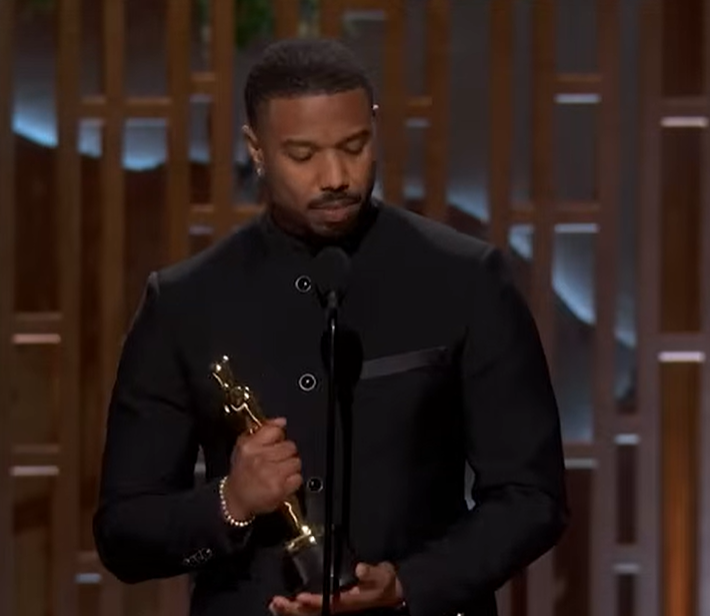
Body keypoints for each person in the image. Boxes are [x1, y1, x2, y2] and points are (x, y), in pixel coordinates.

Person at [93, 37, 567, 616]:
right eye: (303, 155)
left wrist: (409, 585)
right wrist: (231, 501)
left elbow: (531, 496)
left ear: (375, 130)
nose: (336, 175)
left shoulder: (465, 280)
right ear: (257, 150)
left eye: (354, 146)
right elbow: (124, 533)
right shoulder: (185, 303)